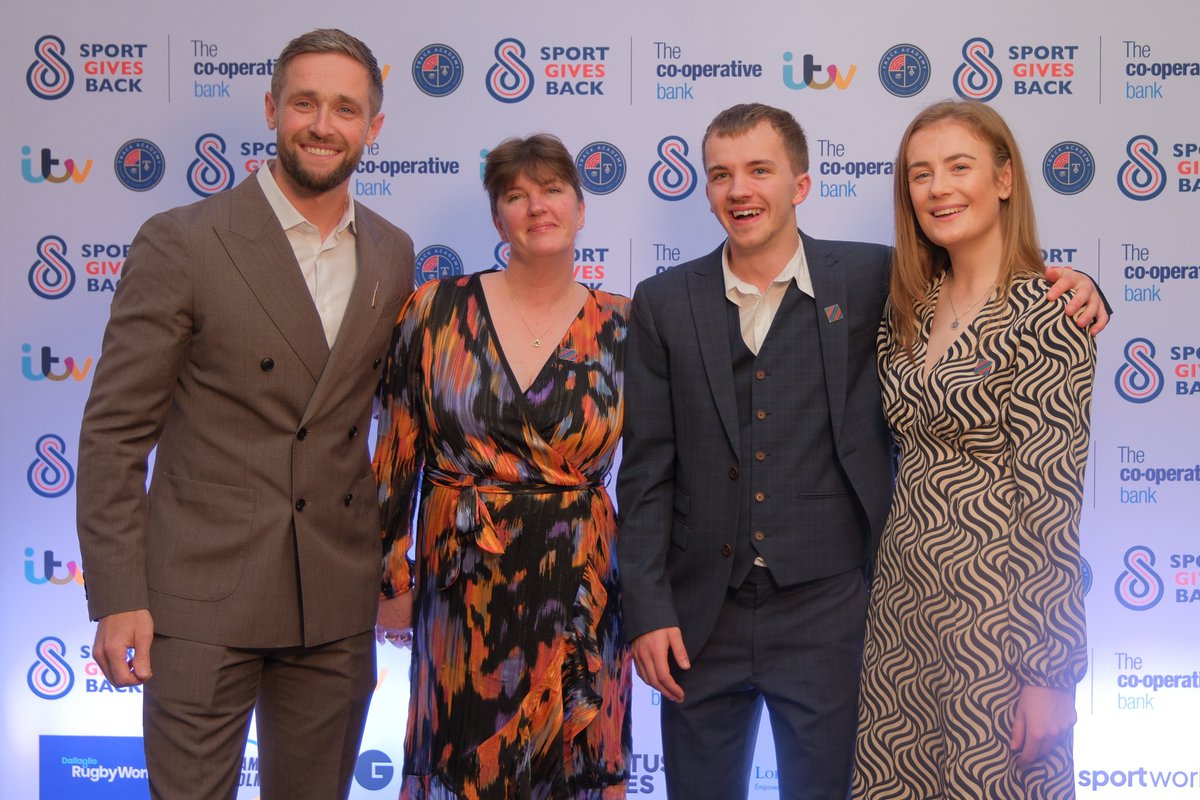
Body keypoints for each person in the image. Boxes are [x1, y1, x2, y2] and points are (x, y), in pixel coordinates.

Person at [616, 103, 1106, 800]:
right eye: (721, 174)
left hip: (869, 616)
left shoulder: (871, 281)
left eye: (760, 169)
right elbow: (644, 473)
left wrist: (1087, 290)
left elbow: (1052, 508)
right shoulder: (671, 302)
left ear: (802, 184)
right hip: (748, 617)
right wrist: (649, 607)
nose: (740, 190)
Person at [75, 29, 414, 800]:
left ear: (374, 128)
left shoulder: (393, 252)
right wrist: (120, 595)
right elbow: (114, 434)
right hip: (199, 594)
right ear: (271, 109)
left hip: (334, 595)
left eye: (345, 108)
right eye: (304, 103)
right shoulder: (183, 241)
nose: (322, 125)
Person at [373, 133, 631, 799]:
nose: (535, 207)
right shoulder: (434, 311)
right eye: (516, 195)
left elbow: (656, 471)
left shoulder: (625, 325)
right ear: (497, 219)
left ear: (580, 209)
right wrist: (390, 575)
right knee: (462, 764)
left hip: (581, 582)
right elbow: (398, 450)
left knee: (573, 763)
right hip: (462, 583)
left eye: (551, 191)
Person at [852, 100, 1094, 799]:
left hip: (999, 624)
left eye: (959, 166)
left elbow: (1054, 512)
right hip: (903, 613)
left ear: (1004, 179)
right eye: (920, 174)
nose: (938, 188)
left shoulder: (1049, 315)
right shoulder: (909, 307)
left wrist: (1051, 673)